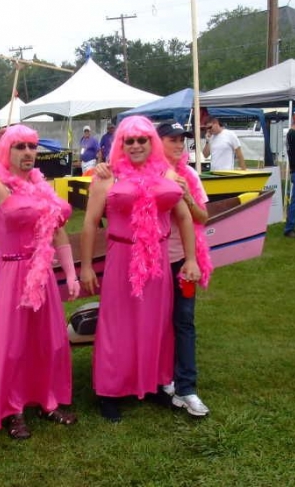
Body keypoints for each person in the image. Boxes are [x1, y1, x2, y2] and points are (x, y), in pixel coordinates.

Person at [80, 115, 200, 423]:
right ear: (120, 144)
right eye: (128, 141)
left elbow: (185, 218)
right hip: (121, 255)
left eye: (141, 140)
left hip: (158, 256)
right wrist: (86, 267)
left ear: (152, 143)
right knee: (116, 325)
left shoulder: (167, 173)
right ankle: (110, 391)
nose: (135, 146)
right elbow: (91, 223)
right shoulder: (107, 176)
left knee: (156, 323)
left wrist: (190, 259)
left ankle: (154, 383)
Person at [0, 123, 81, 439]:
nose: (29, 152)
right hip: (11, 274)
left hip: (43, 273)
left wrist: (71, 273)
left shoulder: (42, 188)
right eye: (20, 146)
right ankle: (12, 410)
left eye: (32, 146)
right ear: (7, 151)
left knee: (49, 342)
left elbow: (58, 232)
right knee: (12, 347)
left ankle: (49, 401)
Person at [156, 122, 214, 417]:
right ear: (159, 142)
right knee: (154, 324)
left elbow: (204, 217)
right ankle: (158, 380)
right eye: (173, 140)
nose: (179, 145)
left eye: (182, 140)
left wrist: (187, 197)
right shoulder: (144, 172)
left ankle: (187, 387)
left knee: (183, 321)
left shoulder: (189, 174)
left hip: (179, 259)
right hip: (149, 261)